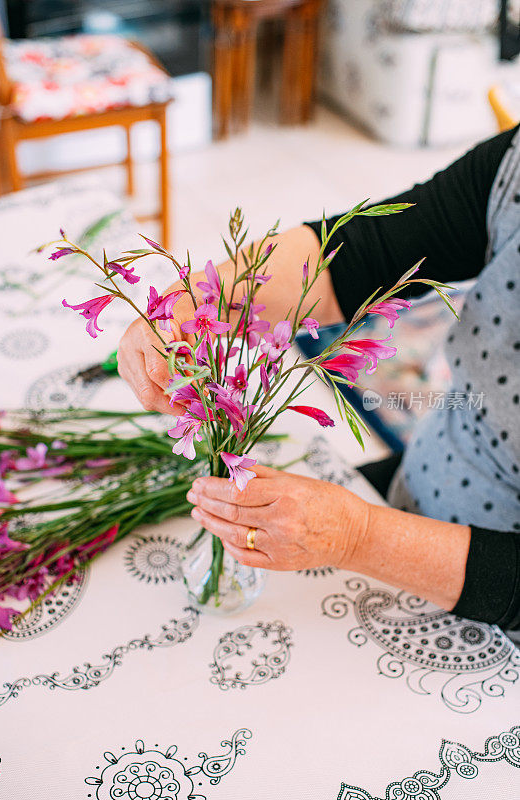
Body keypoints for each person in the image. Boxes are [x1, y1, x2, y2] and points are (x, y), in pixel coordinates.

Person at [118, 125, 520, 632]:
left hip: (492, 616)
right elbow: (361, 253)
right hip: (423, 481)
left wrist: (359, 538)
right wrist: (187, 302)